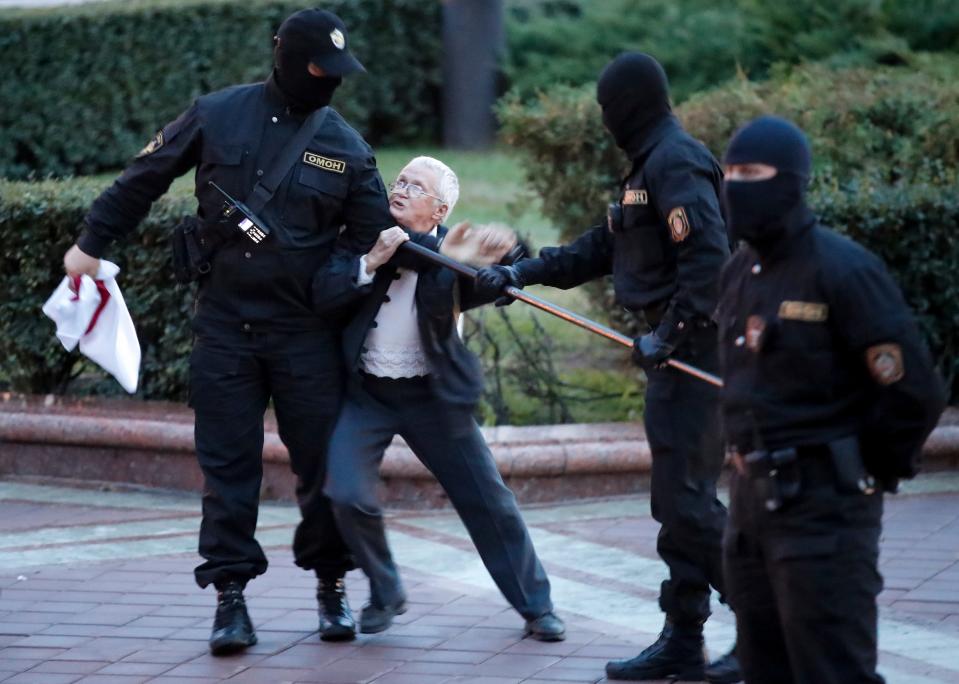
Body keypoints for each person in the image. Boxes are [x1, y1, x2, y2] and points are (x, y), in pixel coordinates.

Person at [61, 8, 490, 655]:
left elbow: (386, 242)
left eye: (336, 73)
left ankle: (331, 584)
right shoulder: (217, 114)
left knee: (318, 470)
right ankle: (230, 599)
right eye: (319, 68)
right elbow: (143, 178)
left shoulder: (346, 148)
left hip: (304, 337)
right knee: (228, 468)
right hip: (225, 329)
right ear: (282, 54)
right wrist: (91, 242)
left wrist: (481, 270)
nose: (327, 81)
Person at [476, 53, 739, 681]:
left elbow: (709, 261)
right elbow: (606, 244)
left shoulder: (675, 160)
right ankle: (683, 638)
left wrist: (671, 335)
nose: (603, 121)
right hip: (675, 356)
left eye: (606, 109)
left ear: (629, 105)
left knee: (691, 506)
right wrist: (523, 272)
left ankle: (767, 619)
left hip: (699, 353)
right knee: (676, 506)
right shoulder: (649, 165)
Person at [716, 115, 945, 684]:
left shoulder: (842, 270)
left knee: (831, 671)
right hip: (749, 511)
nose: (736, 185)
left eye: (752, 172)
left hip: (823, 515)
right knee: (763, 668)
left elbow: (915, 392)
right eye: (730, 172)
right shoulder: (740, 270)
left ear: (790, 181)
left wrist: (866, 470)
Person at [312, 156, 567, 641]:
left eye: (417, 187)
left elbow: (501, 272)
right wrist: (370, 262)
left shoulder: (451, 251)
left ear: (440, 207)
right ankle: (386, 589)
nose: (402, 189)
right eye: (400, 180)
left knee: (489, 501)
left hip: (432, 395)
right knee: (346, 493)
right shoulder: (365, 234)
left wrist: (504, 253)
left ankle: (537, 607)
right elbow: (323, 293)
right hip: (368, 392)